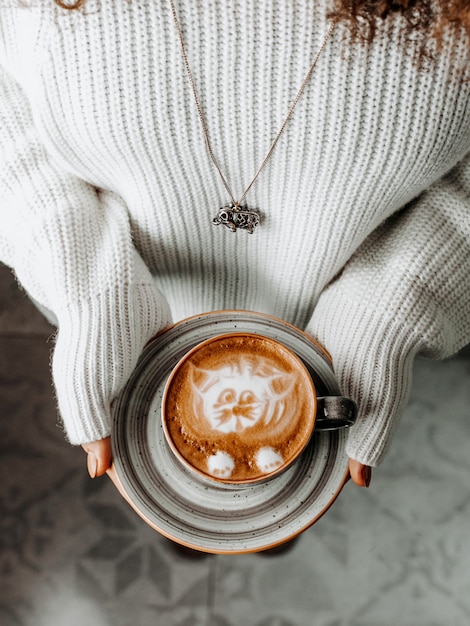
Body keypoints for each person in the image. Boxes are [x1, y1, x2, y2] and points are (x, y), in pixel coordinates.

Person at [1, 0, 469, 490]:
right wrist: (79, 270)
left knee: (271, 479)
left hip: (342, 323)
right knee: (180, 478)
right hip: (116, 305)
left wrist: (399, 302)